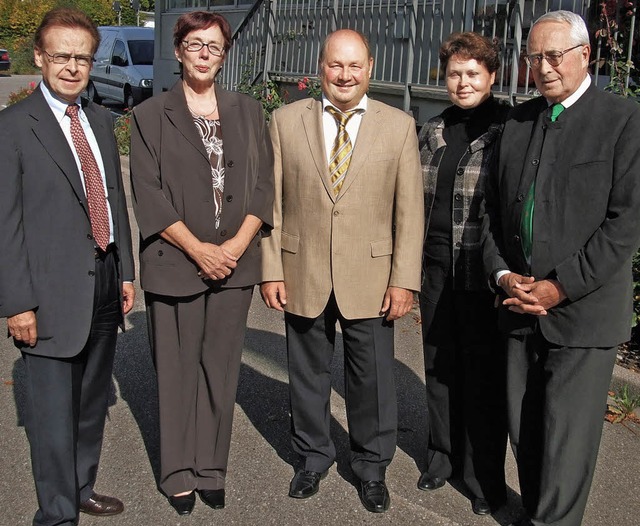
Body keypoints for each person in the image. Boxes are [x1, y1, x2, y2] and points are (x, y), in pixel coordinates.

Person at [482, 10, 640, 526]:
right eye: (534, 58)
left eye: (555, 56)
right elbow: (489, 212)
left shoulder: (623, 120)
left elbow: (624, 225)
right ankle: (538, 513)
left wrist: (559, 287)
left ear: (585, 54)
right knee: (527, 433)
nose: (544, 68)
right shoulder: (516, 123)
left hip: (582, 312)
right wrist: (502, 273)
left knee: (566, 441)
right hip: (517, 303)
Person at [261, 29, 423, 514]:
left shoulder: (399, 126)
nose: (345, 75)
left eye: (355, 66)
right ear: (322, 66)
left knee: (370, 378)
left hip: (371, 278)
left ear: (370, 68)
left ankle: (372, 468)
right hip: (302, 268)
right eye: (336, 65)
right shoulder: (285, 121)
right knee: (307, 373)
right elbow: (273, 202)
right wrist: (271, 269)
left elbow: (409, 212)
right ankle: (312, 457)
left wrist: (403, 280)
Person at [129, 11, 274, 516]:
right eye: (195, 44)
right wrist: (199, 249)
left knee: (219, 370)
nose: (205, 53)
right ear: (178, 50)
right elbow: (147, 194)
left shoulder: (249, 111)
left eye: (214, 45)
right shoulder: (151, 115)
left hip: (236, 264)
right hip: (175, 263)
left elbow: (264, 186)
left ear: (225, 53)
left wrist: (234, 247)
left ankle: (211, 467)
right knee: (176, 372)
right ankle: (177, 472)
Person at [0, 7, 135, 526]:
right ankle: (56, 515)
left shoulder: (100, 119)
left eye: (83, 57)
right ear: (40, 57)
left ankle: (81, 487)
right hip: (48, 291)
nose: (73, 67)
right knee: (53, 417)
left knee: (90, 404)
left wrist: (123, 273)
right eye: (62, 56)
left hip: (101, 280)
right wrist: (17, 303)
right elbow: (5, 225)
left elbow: (113, 201)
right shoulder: (13, 128)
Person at [416, 32, 509, 516]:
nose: (463, 81)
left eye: (473, 73)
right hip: (436, 271)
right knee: (440, 367)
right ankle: (441, 457)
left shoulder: (507, 130)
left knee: (482, 376)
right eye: (454, 73)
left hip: (482, 275)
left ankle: (482, 476)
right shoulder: (432, 129)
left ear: (492, 77)